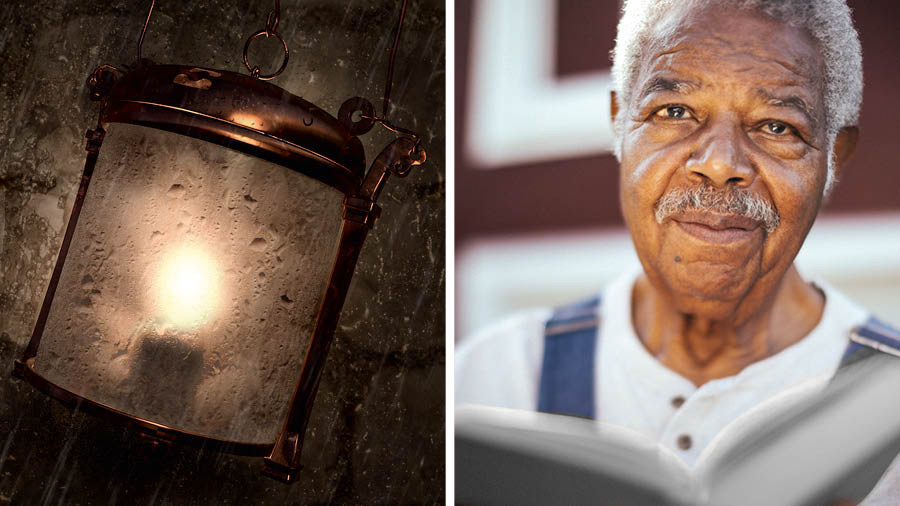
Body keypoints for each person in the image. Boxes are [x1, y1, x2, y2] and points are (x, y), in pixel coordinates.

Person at [455, 0, 900, 503]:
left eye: (777, 125)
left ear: (833, 159)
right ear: (620, 124)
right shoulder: (492, 377)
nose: (718, 164)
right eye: (675, 111)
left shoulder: (890, 408)